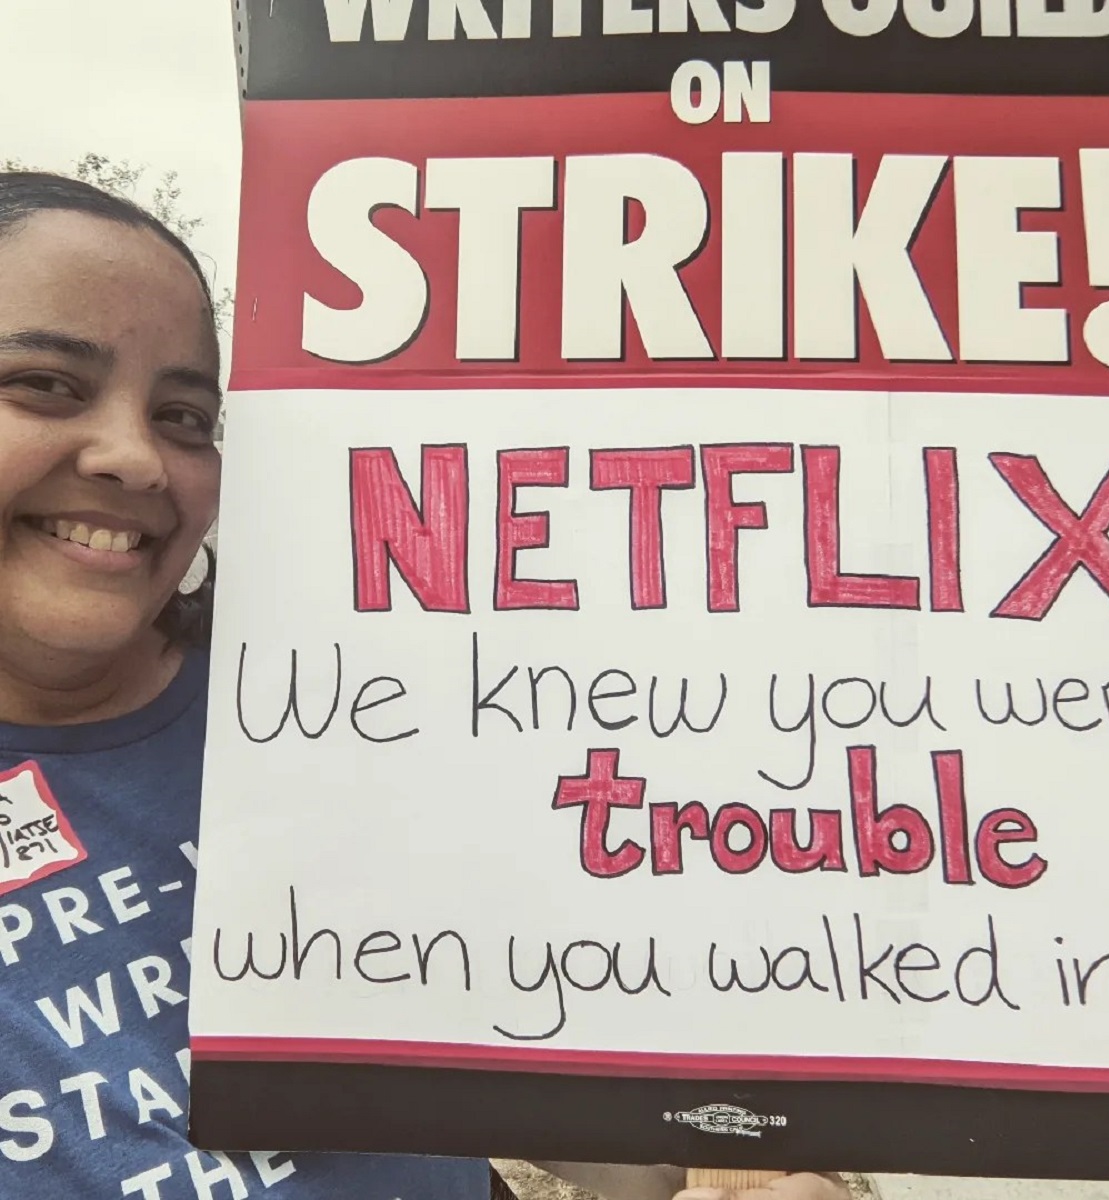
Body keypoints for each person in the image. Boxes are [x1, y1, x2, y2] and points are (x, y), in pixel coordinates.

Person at [0, 169, 850, 1200]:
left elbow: (567, 1095)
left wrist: (732, 1158)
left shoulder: (343, 705)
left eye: (184, 414)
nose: (136, 457)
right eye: (46, 384)